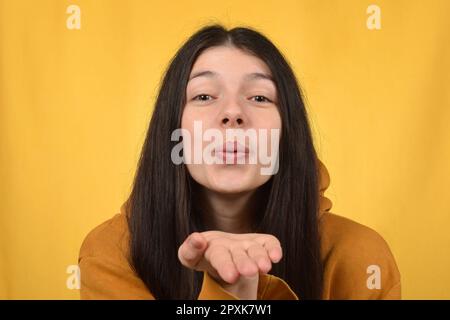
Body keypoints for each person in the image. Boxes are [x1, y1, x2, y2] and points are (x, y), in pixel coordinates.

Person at [78, 24, 401, 300]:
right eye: (204, 96)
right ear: (173, 128)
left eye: (259, 97)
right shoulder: (112, 251)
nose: (232, 113)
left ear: (287, 133)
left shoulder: (359, 255)